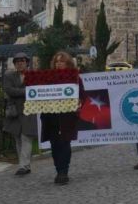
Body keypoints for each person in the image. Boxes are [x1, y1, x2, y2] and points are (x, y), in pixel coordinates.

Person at [40, 51, 84, 185]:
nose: (58, 64)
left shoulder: (75, 77)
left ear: (68, 63)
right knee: (54, 144)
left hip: (67, 116)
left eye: (61, 61)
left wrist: (78, 103)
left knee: (65, 143)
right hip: (51, 116)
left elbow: (82, 94)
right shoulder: (48, 77)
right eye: (57, 62)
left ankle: (63, 172)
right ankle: (58, 169)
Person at [2, 52, 38, 176]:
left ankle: (24, 165)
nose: (20, 63)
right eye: (17, 62)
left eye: (22, 61)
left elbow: (36, 90)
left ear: (27, 63)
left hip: (29, 110)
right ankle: (24, 164)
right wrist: (27, 91)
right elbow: (9, 90)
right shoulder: (9, 76)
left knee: (26, 136)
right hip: (15, 112)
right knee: (18, 138)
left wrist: (21, 92)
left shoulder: (34, 75)